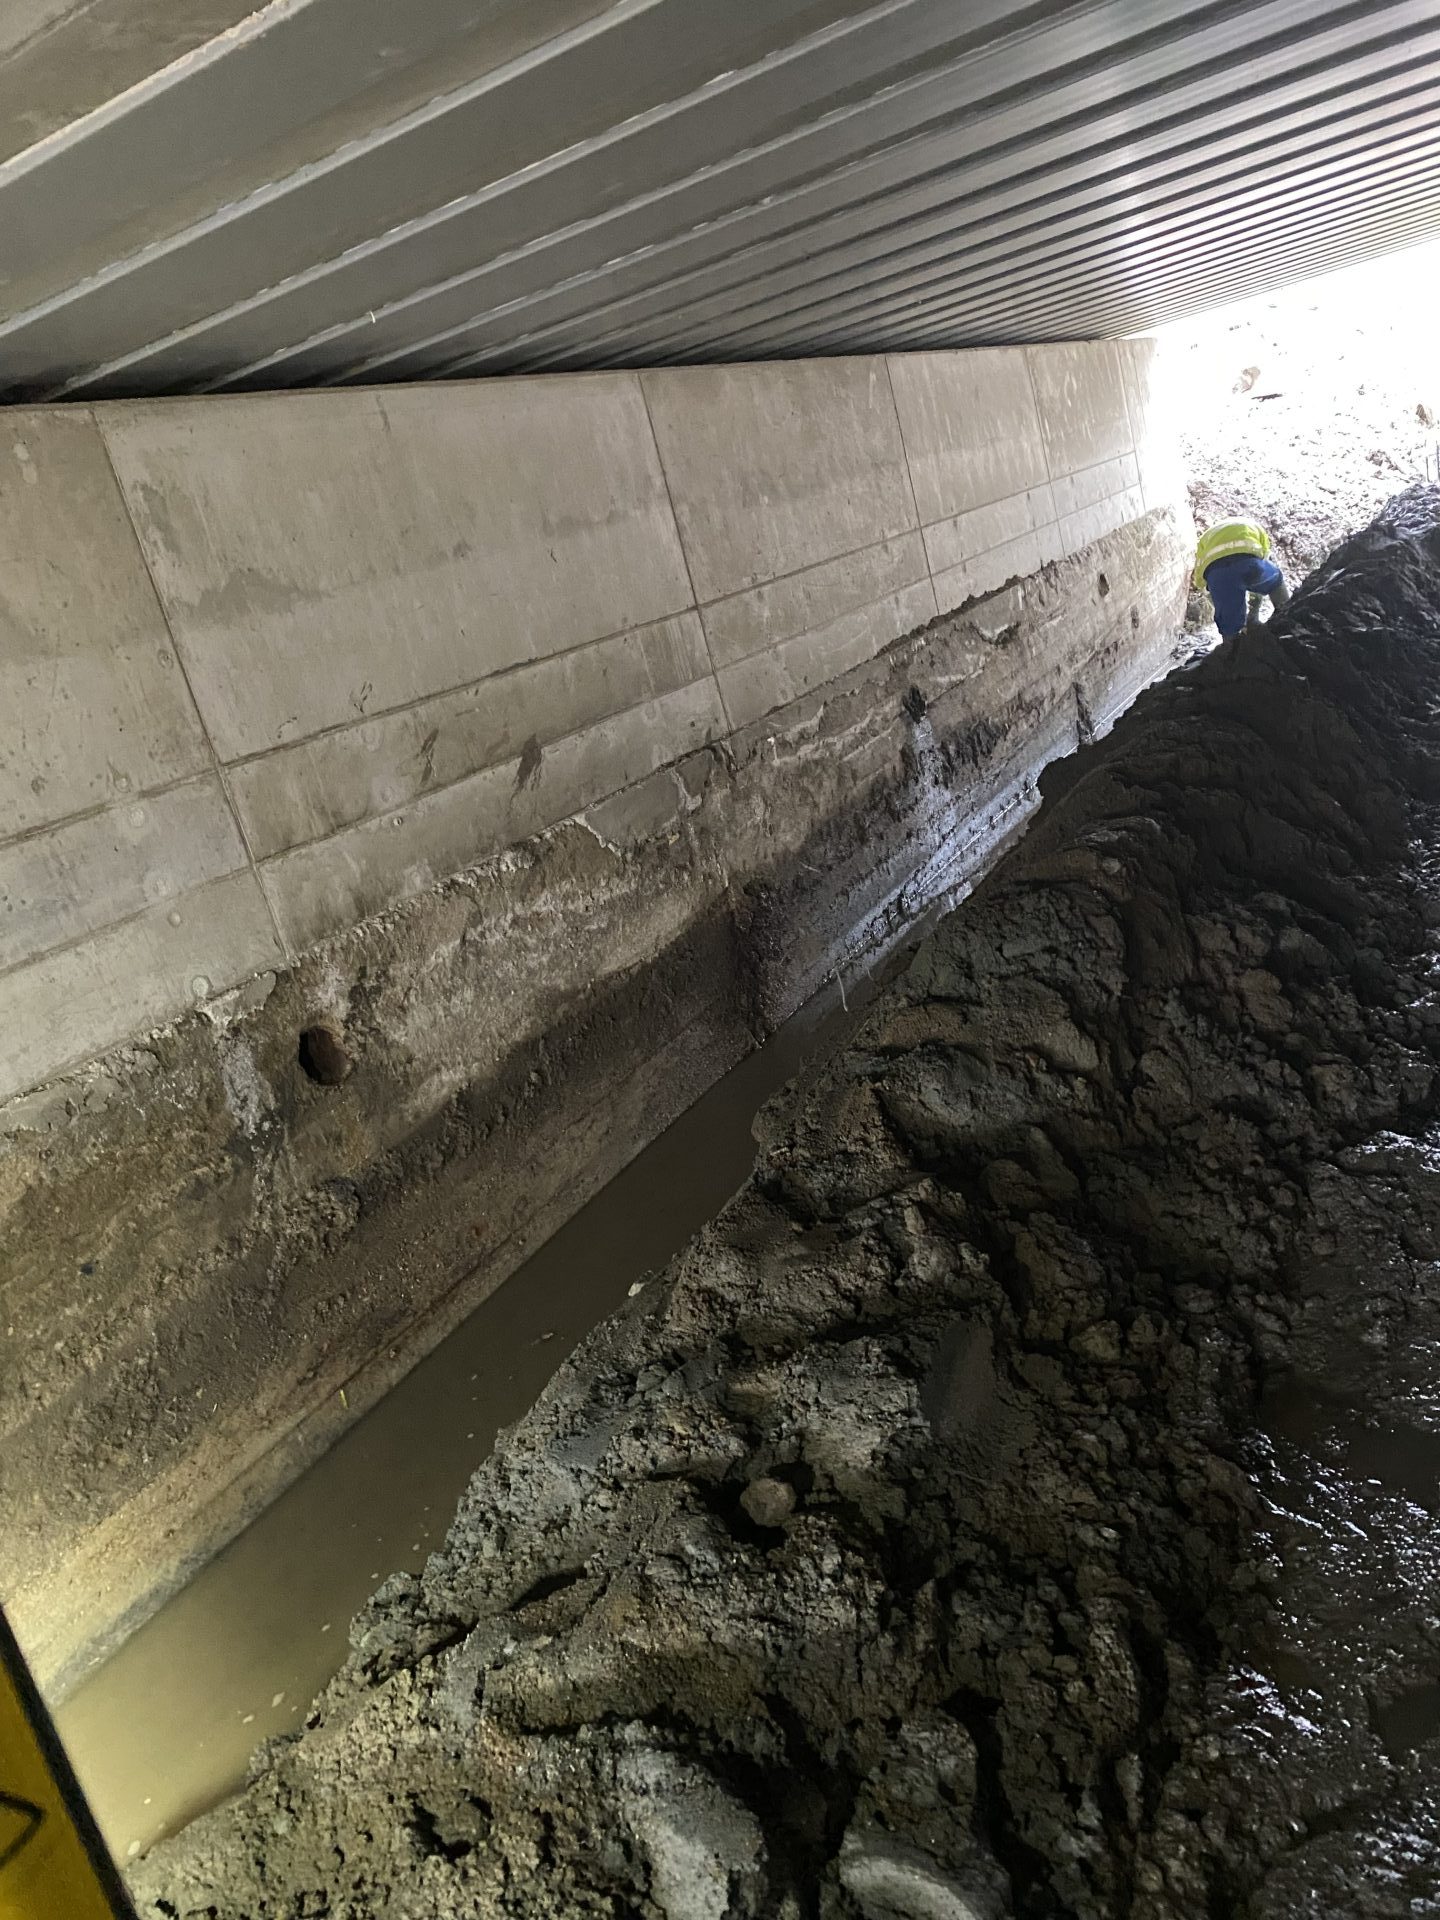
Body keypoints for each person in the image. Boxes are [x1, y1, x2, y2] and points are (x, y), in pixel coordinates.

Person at [1193, 519, 1290, 644]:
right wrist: (1254, 609)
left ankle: (1230, 647)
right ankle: (1287, 616)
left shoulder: (1206, 537)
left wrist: (1215, 593)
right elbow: (1263, 556)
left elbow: (1200, 575)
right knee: (1276, 580)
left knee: (1229, 621)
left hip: (1218, 574)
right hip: (1248, 564)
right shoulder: (1253, 526)